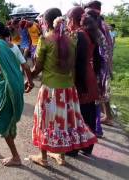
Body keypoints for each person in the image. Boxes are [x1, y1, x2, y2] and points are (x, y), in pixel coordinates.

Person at [29, 8, 97, 167]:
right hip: (68, 90)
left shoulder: (45, 40)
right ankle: (61, 156)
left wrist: (28, 77)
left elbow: (37, 68)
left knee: (45, 122)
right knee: (63, 123)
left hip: (50, 90)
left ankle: (43, 157)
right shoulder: (72, 40)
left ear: (46, 22)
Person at [0, 21, 34, 166]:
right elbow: (25, 66)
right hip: (16, 84)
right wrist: (30, 83)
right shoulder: (13, 47)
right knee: (2, 114)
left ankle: (16, 157)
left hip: (6, 87)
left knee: (2, 118)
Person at [66, 6, 101, 157]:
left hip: (81, 78)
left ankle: (73, 148)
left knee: (76, 114)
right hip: (89, 75)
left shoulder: (78, 35)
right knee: (88, 113)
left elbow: (77, 62)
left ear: (73, 19)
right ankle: (87, 147)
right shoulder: (89, 32)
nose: (67, 22)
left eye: (68, 19)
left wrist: (77, 84)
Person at [85, 1, 114, 130]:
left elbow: (102, 49)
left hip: (99, 65)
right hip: (104, 64)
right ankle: (107, 117)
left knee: (98, 94)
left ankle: (97, 125)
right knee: (103, 93)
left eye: (86, 12)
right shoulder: (103, 25)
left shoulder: (96, 27)